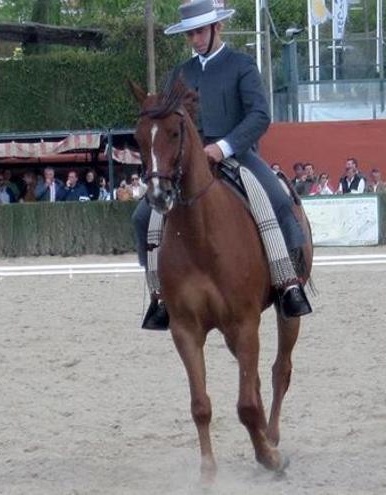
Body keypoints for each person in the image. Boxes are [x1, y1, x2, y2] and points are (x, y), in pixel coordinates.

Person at [133, 0, 311, 330]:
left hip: (238, 156)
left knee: (280, 201)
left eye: (200, 32)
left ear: (218, 28)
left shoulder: (241, 65)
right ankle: (159, 294)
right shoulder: (180, 74)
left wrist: (223, 146)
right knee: (142, 216)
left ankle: (290, 283)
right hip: (189, 164)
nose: (195, 40)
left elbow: (259, 115)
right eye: (190, 35)